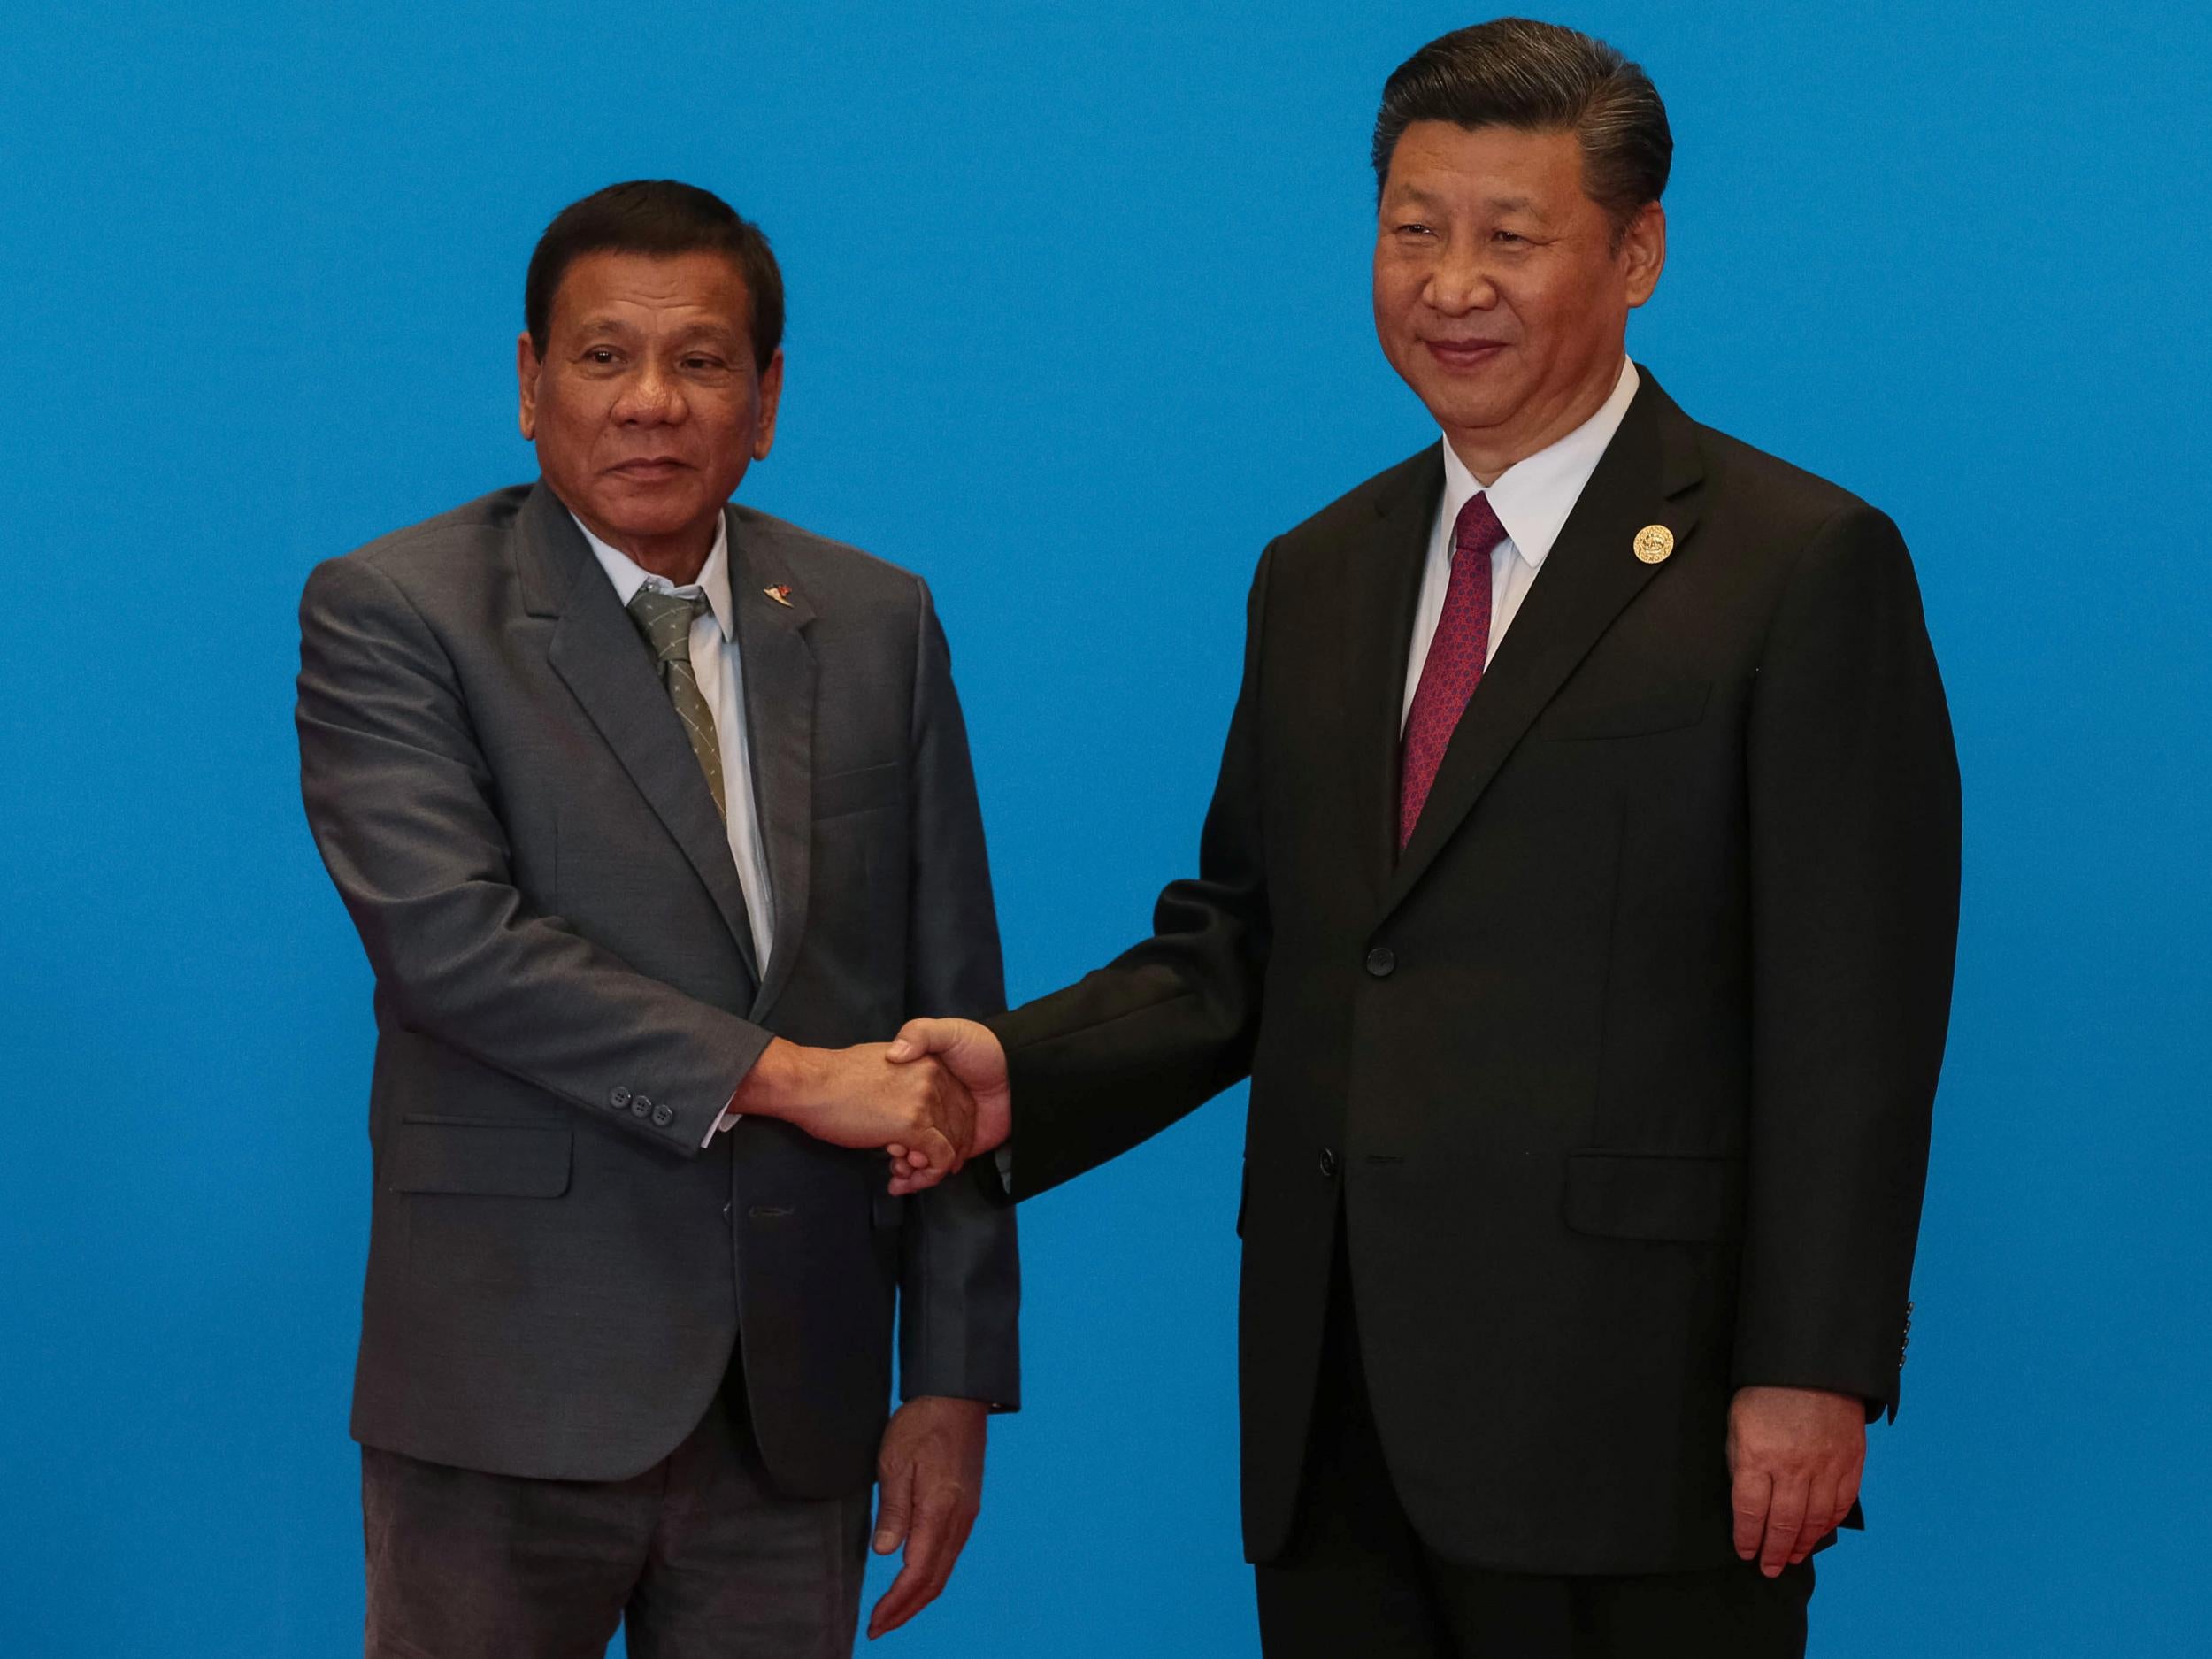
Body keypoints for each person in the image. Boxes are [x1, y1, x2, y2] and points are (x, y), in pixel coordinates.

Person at [886, 19, 1960, 1657]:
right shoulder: (1318, 570)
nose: (1451, 283)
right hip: (1338, 1407)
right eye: (1413, 229)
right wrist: (1010, 1074)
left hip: (1640, 1413)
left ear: (1638, 252)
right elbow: (1249, 940)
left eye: (1509, 238)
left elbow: (1854, 1016)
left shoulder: (1799, 565)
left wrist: (1810, 1364)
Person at [296, 179, 1016, 1658]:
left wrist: (948, 1374)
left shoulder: (879, 624)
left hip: (792, 1399)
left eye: (699, 363)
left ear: (766, 399)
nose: (649, 405)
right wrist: (804, 1081)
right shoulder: (399, 611)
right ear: (527, 383)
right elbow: (455, 954)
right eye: (604, 356)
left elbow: (952, 1025)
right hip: (506, 1383)